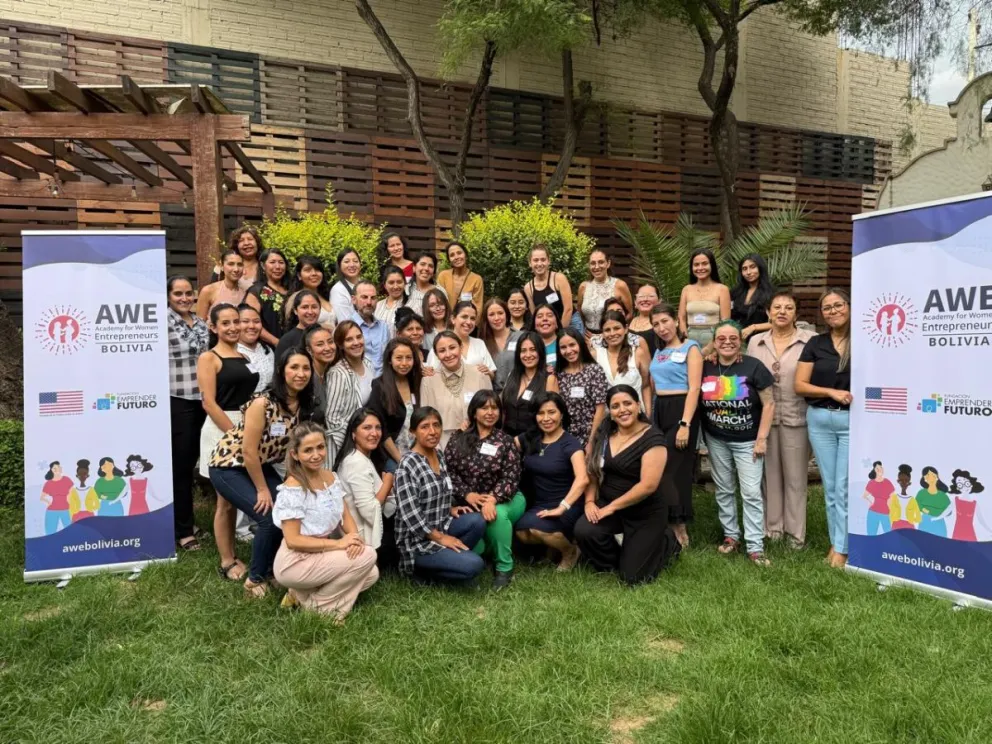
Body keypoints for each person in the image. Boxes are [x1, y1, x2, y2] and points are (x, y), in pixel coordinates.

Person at [209, 349, 318, 597]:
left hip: (261, 463)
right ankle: (254, 579)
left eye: (306, 368)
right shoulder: (262, 403)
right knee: (268, 518)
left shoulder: (303, 405)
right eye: (294, 367)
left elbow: (292, 450)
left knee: (286, 513)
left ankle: (272, 569)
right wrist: (262, 489)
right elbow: (248, 451)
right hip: (229, 464)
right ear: (281, 371)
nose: (300, 373)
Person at [272, 421, 379, 621]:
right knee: (368, 556)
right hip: (295, 561)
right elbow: (293, 540)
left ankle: (301, 595)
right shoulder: (293, 487)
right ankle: (320, 610)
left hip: (320, 554)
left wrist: (354, 538)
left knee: (371, 573)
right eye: (308, 450)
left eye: (320, 447)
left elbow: (345, 515)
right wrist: (339, 544)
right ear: (295, 454)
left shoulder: (330, 477)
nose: (316, 455)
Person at [574, 385, 679, 585]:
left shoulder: (653, 439)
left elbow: (648, 486)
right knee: (584, 530)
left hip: (645, 511)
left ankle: (667, 541)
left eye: (627, 403)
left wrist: (611, 508)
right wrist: (589, 502)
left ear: (638, 405)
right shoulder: (605, 433)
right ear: (611, 413)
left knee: (633, 578)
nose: (622, 410)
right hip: (609, 504)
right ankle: (614, 561)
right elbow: (593, 471)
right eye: (615, 406)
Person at [701, 320, 776, 566]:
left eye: (733, 338)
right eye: (721, 338)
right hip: (717, 438)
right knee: (724, 489)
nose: (727, 342)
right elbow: (691, 358)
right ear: (714, 342)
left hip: (748, 441)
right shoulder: (705, 366)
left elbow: (769, 404)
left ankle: (755, 546)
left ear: (740, 342)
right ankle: (731, 536)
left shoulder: (754, 366)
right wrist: (709, 351)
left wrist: (761, 439)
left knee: (751, 493)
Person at [746, 291, 815, 547]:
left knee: (796, 479)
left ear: (796, 314)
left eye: (788, 307)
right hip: (765, 419)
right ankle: (773, 530)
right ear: (768, 313)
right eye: (777, 307)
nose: (782, 312)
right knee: (770, 477)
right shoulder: (756, 342)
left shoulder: (810, 340)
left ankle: (795, 536)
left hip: (797, 416)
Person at [198, 304, 260, 577]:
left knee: (234, 498)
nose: (234, 327)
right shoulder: (209, 358)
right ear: (213, 327)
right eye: (226, 323)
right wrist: (236, 433)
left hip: (246, 426)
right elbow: (209, 403)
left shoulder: (243, 356)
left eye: (237, 321)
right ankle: (227, 561)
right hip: (222, 429)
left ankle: (233, 550)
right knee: (224, 500)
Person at [393, 406, 487, 584]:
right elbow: (411, 516)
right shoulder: (407, 464)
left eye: (436, 425)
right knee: (475, 564)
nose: (432, 431)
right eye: (424, 426)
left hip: (441, 524)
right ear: (413, 432)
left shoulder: (439, 455)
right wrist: (442, 539)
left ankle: (451, 558)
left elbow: (440, 489)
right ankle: (422, 573)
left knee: (477, 521)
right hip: (418, 542)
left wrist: (450, 508)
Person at [795, 288, 852, 569]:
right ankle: (837, 542)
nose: (833, 311)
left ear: (849, 306)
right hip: (819, 420)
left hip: (852, 422)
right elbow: (799, 385)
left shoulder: (865, 340)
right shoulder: (816, 343)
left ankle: (843, 548)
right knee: (830, 487)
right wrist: (830, 392)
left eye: (838, 305)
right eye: (827, 308)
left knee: (844, 487)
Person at [444, 391, 524, 589]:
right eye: (484, 407)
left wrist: (492, 499)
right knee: (477, 548)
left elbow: (511, 477)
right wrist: (467, 494)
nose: (490, 412)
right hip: (469, 501)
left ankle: (504, 567)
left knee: (496, 516)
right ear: (474, 412)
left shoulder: (505, 441)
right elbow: (448, 472)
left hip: (507, 498)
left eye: (494, 408)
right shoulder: (458, 439)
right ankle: (487, 553)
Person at [514, 392, 588, 571]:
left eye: (551, 412)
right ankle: (553, 548)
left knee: (538, 529)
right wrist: (470, 428)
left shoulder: (571, 444)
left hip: (568, 503)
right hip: (541, 503)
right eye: (541, 413)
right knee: (522, 533)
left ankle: (570, 552)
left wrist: (562, 507)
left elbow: (583, 479)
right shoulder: (531, 438)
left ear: (561, 414)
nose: (546, 418)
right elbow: (503, 445)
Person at [648, 302, 702, 548]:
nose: (661, 328)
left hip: (682, 409)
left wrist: (685, 423)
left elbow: (695, 387)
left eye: (665, 321)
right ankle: (667, 522)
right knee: (660, 468)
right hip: (661, 409)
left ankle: (680, 527)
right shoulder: (658, 352)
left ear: (676, 321)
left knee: (674, 470)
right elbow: (652, 385)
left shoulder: (691, 347)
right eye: (656, 324)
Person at [167, 276, 209, 551]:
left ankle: (185, 521)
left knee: (193, 462)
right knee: (180, 467)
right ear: (168, 296)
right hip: (177, 399)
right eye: (177, 293)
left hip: (202, 400)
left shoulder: (201, 322)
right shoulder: (162, 321)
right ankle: (183, 531)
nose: (184, 298)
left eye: (188, 293)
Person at [333, 409, 397, 559]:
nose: (374, 433)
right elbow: (369, 511)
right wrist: (387, 484)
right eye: (367, 428)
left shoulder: (360, 457)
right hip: (361, 539)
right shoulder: (356, 462)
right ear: (353, 434)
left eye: (378, 428)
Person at [419, 331, 493, 448]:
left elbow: (492, 412)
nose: (448, 354)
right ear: (436, 355)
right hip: (442, 444)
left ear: (461, 348)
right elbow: (425, 420)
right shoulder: (429, 381)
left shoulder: (480, 374)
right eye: (442, 351)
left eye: (452, 348)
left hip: (477, 442)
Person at [325, 320, 376, 466]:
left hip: (366, 441)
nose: (356, 342)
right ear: (340, 345)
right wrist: (354, 442)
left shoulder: (368, 363)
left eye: (359, 337)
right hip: (344, 447)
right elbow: (332, 418)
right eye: (349, 339)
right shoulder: (338, 373)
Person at [368, 338, 423, 468]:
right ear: (389, 360)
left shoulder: (417, 382)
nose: (404, 363)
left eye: (408, 358)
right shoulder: (380, 386)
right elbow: (382, 428)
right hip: (391, 454)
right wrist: (401, 461)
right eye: (399, 358)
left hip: (416, 451)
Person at [554, 327, 608, 449]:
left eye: (572, 345)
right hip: (565, 437)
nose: (569, 351)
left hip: (591, 434)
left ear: (580, 344)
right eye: (563, 347)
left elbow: (600, 409)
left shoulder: (594, 370)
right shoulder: (558, 375)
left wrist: (591, 441)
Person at [501, 331, 558, 438]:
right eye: (523, 351)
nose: (528, 355)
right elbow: (504, 411)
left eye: (533, 350)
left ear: (540, 352)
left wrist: (522, 440)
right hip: (508, 440)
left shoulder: (549, 379)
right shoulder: (511, 375)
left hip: (536, 440)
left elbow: (552, 418)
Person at [595, 310, 652, 417]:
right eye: (607, 330)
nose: (612, 333)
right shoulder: (595, 355)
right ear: (602, 333)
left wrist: (648, 414)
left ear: (626, 329)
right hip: (606, 418)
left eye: (617, 328)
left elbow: (646, 386)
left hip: (635, 416)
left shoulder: (638, 353)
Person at [678, 248, 730, 355]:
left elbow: (725, 322)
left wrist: (711, 347)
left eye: (705, 264)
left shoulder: (722, 289)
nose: (700, 268)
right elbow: (681, 318)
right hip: (690, 338)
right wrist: (686, 340)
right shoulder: (686, 289)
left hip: (714, 339)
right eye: (696, 265)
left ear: (712, 265)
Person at [426, 300, 496, 379]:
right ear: (453, 319)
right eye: (464, 317)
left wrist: (488, 372)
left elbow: (492, 375)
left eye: (472, 318)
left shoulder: (479, 343)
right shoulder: (440, 344)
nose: (469, 322)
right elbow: (431, 376)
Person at [577, 248, 632, 337]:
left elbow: (629, 313)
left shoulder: (620, 285)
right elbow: (580, 312)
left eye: (601, 262)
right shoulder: (583, 287)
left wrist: (613, 330)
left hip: (611, 337)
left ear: (608, 263)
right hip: (587, 338)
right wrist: (584, 331)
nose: (596, 267)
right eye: (593, 263)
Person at [245, 248, 289, 347]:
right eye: (272, 262)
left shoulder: (291, 290)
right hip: (268, 347)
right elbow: (250, 323)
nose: (277, 266)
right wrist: (276, 342)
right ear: (262, 265)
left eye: (281, 262)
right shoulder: (257, 291)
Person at [523, 244, 572, 325]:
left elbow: (568, 309)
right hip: (547, 325)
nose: (539, 263)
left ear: (548, 261)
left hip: (570, 322)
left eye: (543, 260)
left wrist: (561, 331)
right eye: (535, 260)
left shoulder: (559, 279)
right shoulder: (528, 288)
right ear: (530, 263)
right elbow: (535, 315)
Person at [479, 298, 521, 392]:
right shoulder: (482, 343)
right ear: (486, 318)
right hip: (493, 396)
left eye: (500, 313)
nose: (497, 318)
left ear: (507, 314)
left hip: (518, 393)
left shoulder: (521, 337)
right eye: (491, 314)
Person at [350, 279, 391, 376]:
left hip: (383, 381)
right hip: (358, 382)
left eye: (373, 298)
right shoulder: (346, 328)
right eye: (364, 297)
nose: (369, 302)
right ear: (354, 299)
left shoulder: (384, 327)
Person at [731, 254, 774, 342]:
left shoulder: (771, 294)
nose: (748, 272)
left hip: (760, 341)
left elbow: (777, 323)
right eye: (744, 269)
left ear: (760, 268)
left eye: (752, 267)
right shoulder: (735, 293)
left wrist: (753, 327)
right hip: (736, 341)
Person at [196, 249, 246, 321]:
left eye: (240, 264)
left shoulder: (245, 293)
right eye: (231, 264)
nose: (236, 269)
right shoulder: (208, 291)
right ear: (222, 266)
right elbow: (200, 324)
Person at [287, 255, 335, 329]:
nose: (314, 273)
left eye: (317, 270)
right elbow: (294, 328)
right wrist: (321, 327)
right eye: (308, 270)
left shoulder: (326, 295)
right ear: (299, 276)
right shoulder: (295, 298)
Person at [436, 241, 484, 314]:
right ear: (449, 260)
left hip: (467, 320)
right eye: (452, 255)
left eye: (459, 253)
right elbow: (438, 301)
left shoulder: (476, 279)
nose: (456, 257)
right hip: (445, 319)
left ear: (466, 255)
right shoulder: (443, 276)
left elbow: (478, 308)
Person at [274, 290, 321, 362]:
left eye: (314, 307)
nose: (310, 312)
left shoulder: (325, 334)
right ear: (295, 310)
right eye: (305, 307)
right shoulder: (287, 340)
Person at [237, 303, 274, 392]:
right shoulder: (230, 352)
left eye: (256, 321)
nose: (252, 326)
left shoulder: (267, 350)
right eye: (245, 321)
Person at [211, 225, 261, 289]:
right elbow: (212, 289)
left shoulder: (265, 265)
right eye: (241, 240)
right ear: (236, 245)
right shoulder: (224, 264)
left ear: (257, 243)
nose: (246, 243)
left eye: (250, 239)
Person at [303, 324, 336, 419]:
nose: (328, 348)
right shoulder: (306, 378)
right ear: (309, 350)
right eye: (320, 344)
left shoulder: (332, 373)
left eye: (330, 342)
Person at [949, 470, 990, 541]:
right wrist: (936, 518)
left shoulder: (974, 504)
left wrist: (989, 530)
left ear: (971, 484)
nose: (964, 487)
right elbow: (947, 510)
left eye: (967, 483)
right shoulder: (956, 501)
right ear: (957, 488)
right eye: (960, 485)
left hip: (969, 533)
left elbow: (981, 520)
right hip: (957, 532)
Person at [862, 462, 897, 536]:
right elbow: (864, 496)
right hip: (873, 512)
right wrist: (870, 501)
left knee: (888, 534)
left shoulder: (887, 482)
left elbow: (892, 497)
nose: (879, 469)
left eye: (880, 468)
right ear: (874, 470)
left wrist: (891, 509)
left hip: (885, 513)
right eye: (877, 468)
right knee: (871, 534)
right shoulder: (871, 483)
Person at [916, 466, 952, 537]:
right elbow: (916, 504)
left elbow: (949, 511)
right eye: (927, 476)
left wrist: (930, 510)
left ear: (937, 477)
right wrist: (923, 509)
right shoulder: (922, 493)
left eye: (933, 475)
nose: (931, 478)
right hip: (925, 522)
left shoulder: (943, 496)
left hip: (939, 523)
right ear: (924, 479)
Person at [330, 248, 363, 324]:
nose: (352, 265)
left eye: (355, 261)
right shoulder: (338, 290)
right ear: (339, 265)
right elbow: (344, 322)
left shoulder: (364, 284)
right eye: (346, 262)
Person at [40, 461, 74, 534]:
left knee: (70, 531)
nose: (56, 469)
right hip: (52, 510)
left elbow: (72, 493)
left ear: (60, 469)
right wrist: (48, 502)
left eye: (58, 467)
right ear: (51, 470)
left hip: (66, 509)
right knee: (50, 532)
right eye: (54, 468)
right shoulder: (48, 483)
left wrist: (70, 502)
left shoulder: (66, 479)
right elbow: (42, 497)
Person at [375, 265, 407, 331]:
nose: (395, 286)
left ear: (405, 283)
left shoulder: (411, 305)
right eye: (391, 283)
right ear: (385, 285)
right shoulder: (377, 305)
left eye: (399, 282)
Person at [530, 303, 561, 371]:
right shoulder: (527, 345)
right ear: (534, 324)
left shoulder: (564, 343)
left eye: (549, 315)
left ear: (557, 323)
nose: (545, 319)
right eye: (540, 316)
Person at [629, 284, 660, 354]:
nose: (645, 299)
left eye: (651, 296)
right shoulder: (630, 321)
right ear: (635, 302)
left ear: (659, 301)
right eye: (641, 296)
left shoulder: (662, 323)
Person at [892, 464, 921, 530]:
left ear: (909, 483)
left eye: (906, 481)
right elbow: (891, 514)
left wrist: (911, 520)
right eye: (901, 480)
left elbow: (918, 517)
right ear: (898, 481)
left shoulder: (912, 500)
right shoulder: (895, 498)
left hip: (908, 526)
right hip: (896, 525)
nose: (904, 483)